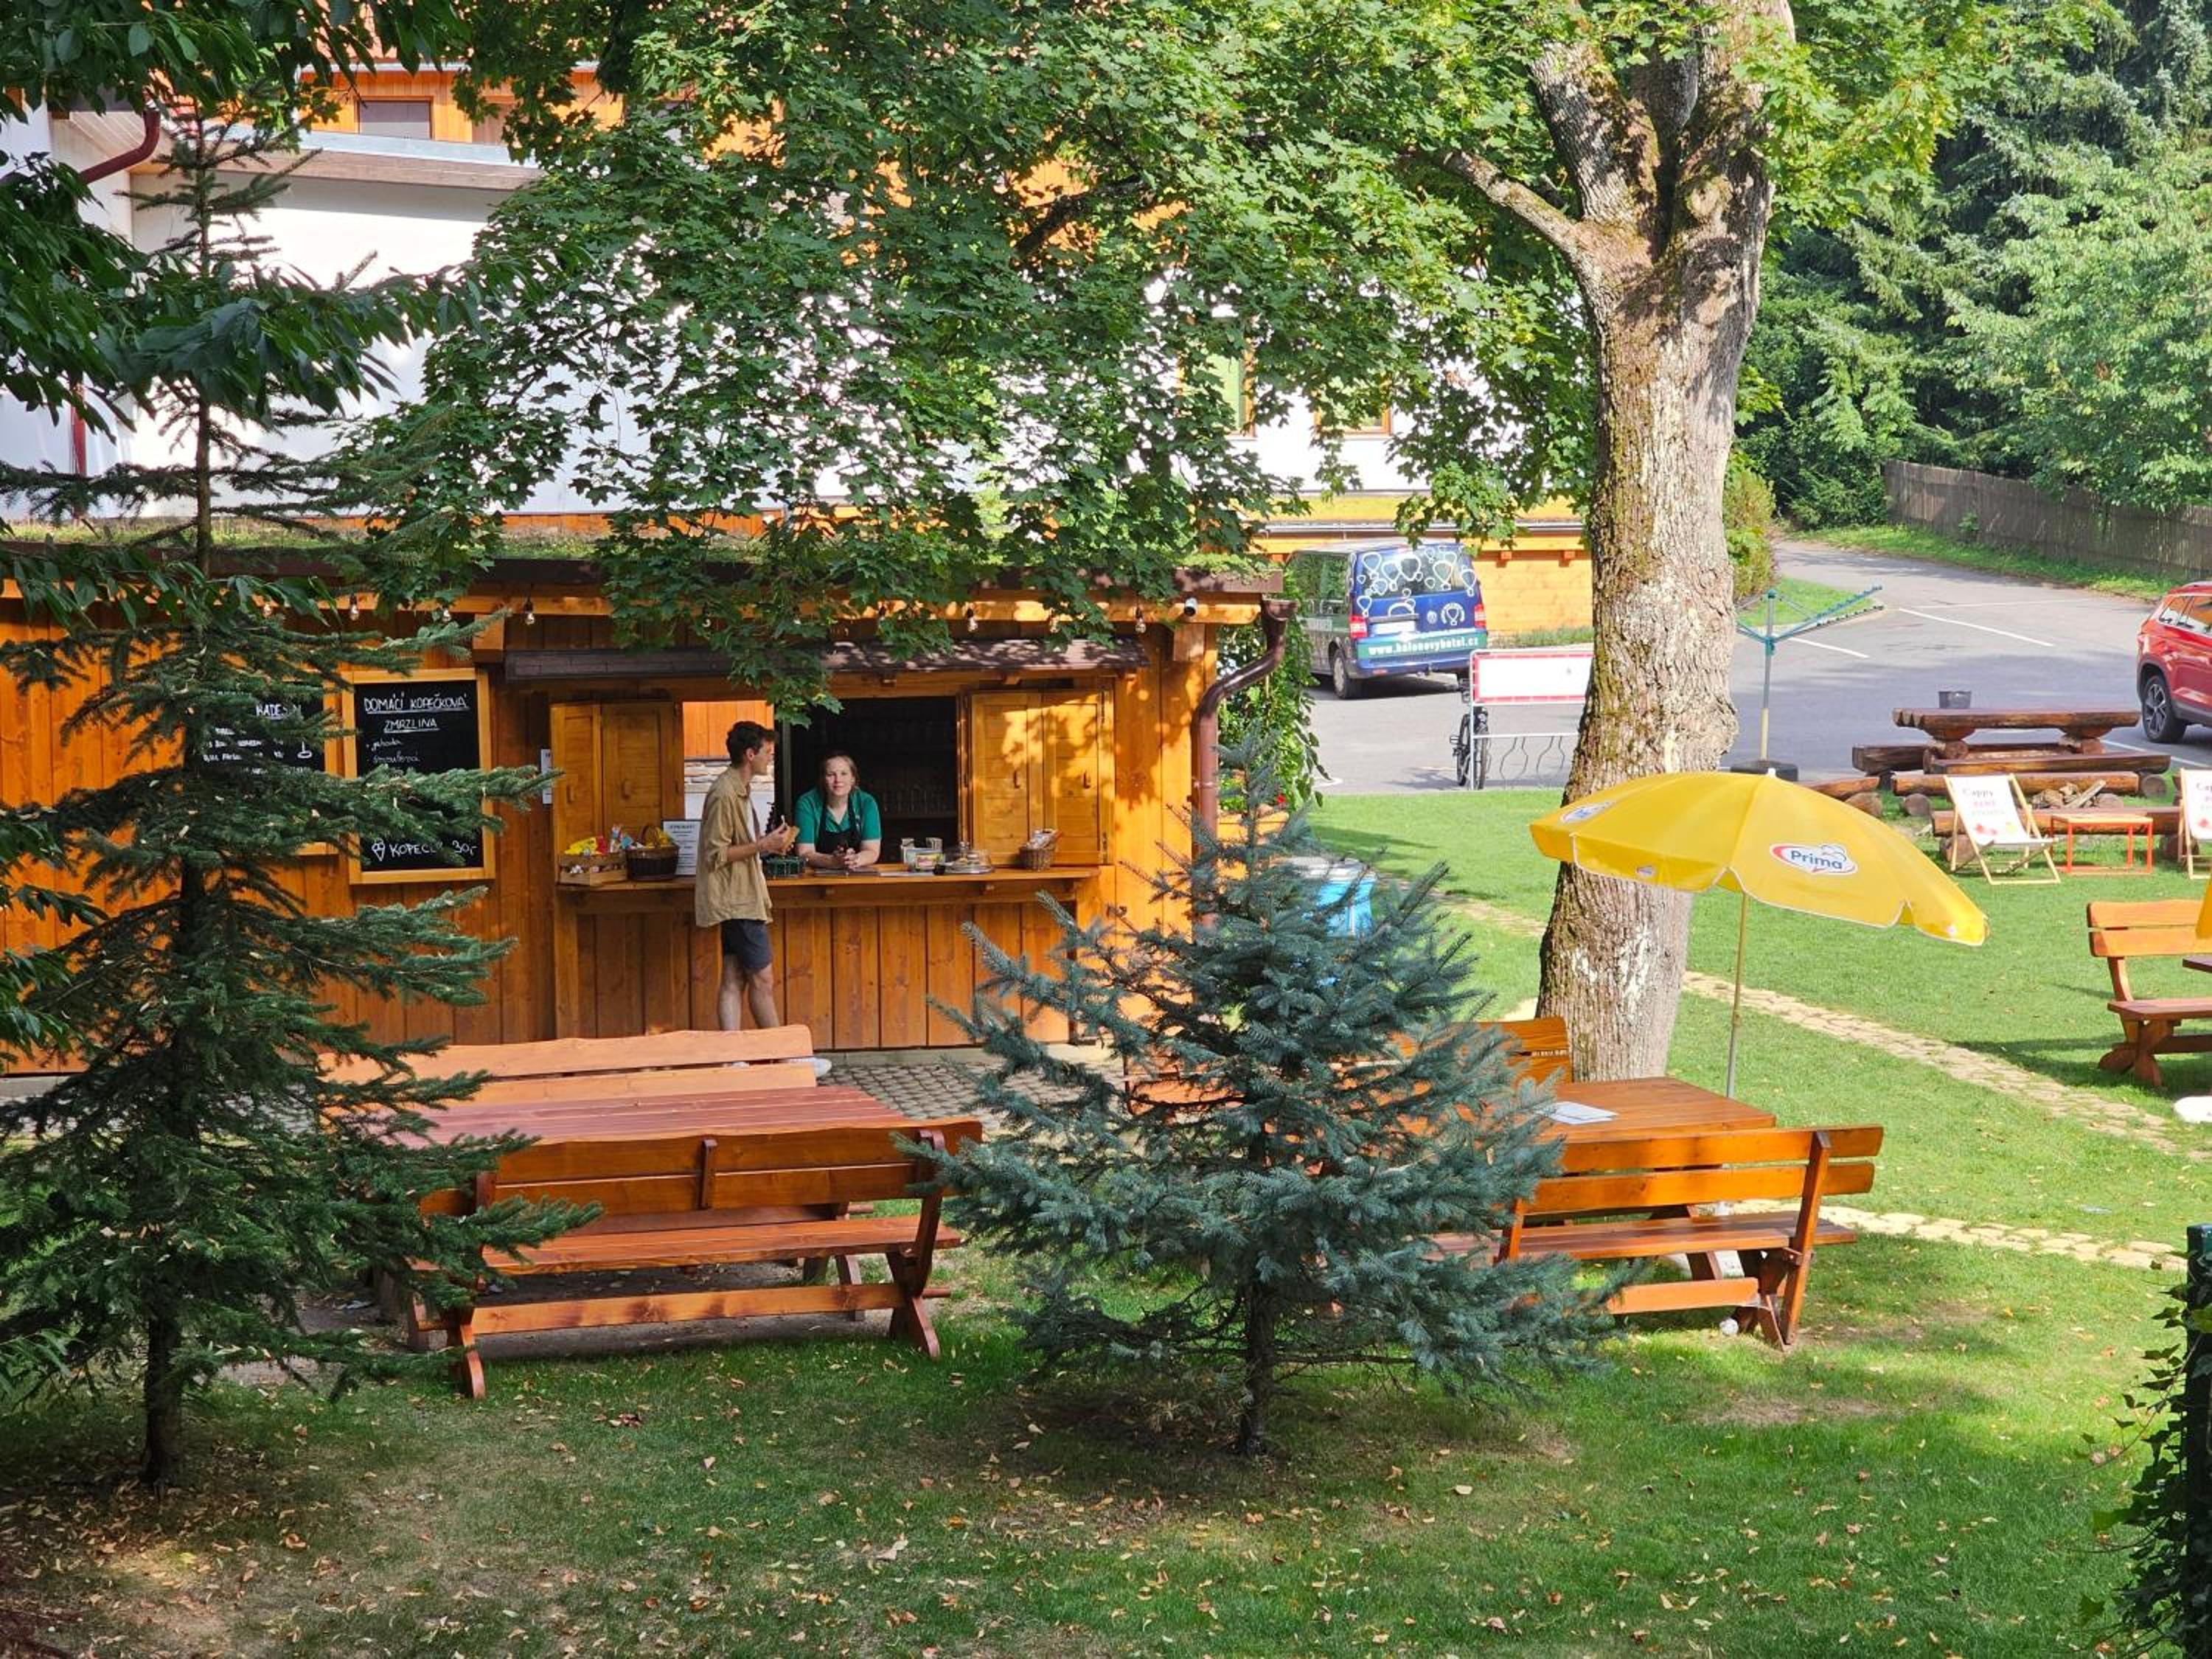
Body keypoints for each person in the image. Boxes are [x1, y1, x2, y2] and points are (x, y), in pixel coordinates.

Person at [696, 719, 796, 1031]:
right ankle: (780, 1051)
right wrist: (763, 844)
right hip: (738, 900)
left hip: (740, 896)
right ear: (750, 755)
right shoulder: (724, 793)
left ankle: (732, 1052)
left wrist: (769, 844)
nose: (770, 758)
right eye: (767, 753)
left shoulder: (738, 788)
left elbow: (740, 847)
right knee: (763, 978)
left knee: (734, 976)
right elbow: (716, 854)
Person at [793, 752, 883, 873]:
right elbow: (804, 853)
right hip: (816, 878)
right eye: (831, 775)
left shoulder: (866, 803)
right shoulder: (807, 803)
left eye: (844, 774)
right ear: (823, 779)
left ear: (853, 779)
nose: (838, 780)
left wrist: (853, 860)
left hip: (857, 874)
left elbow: (872, 850)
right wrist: (832, 861)